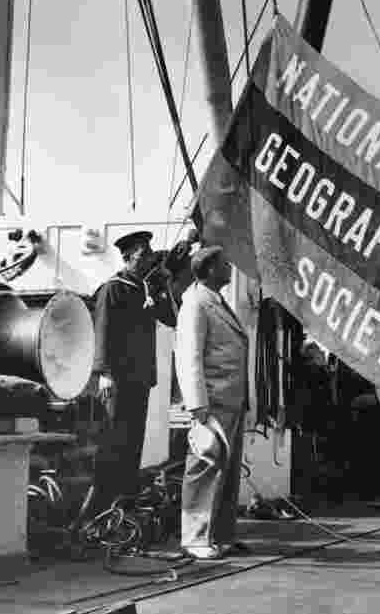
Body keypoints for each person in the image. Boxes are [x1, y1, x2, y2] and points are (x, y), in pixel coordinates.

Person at [86, 228, 198, 519]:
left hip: (140, 378)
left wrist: (168, 285)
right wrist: (105, 373)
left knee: (132, 442)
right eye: (144, 254)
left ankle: (124, 503)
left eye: (149, 253)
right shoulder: (114, 288)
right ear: (128, 257)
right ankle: (102, 506)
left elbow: (170, 317)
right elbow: (103, 332)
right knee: (114, 441)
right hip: (118, 379)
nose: (149, 258)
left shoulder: (143, 288)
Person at [174, 245, 250, 559]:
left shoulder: (214, 300)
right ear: (209, 269)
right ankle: (194, 539)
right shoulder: (195, 303)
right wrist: (196, 404)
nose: (230, 268)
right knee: (204, 468)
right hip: (212, 401)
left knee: (228, 472)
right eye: (224, 264)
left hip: (230, 399)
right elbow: (188, 354)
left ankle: (221, 535)